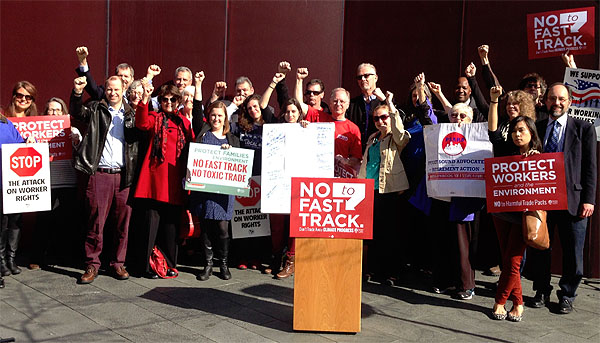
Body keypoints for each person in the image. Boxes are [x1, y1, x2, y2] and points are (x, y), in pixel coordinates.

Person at [527, 83, 597, 314]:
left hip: (574, 201)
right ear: (545, 101)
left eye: (561, 99)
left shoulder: (583, 128)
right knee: (540, 248)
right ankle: (541, 290)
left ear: (569, 102)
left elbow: (590, 167)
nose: (556, 103)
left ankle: (567, 294)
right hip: (542, 200)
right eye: (552, 98)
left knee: (573, 253)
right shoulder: (536, 127)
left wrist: (589, 199)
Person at [70, 75, 141, 284]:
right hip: (99, 173)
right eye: (109, 89)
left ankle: (118, 263)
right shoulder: (95, 109)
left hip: (124, 176)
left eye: (117, 89)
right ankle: (92, 265)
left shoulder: (131, 114)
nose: (113, 93)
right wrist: (77, 93)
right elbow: (76, 111)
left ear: (123, 89)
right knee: (96, 222)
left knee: (123, 223)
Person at [134, 81, 194, 279]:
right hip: (153, 181)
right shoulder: (155, 117)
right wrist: (144, 99)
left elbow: (194, 145)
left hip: (174, 182)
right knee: (150, 225)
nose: (169, 102)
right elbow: (141, 123)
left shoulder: (183, 122)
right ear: (160, 101)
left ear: (178, 101)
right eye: (165, 99)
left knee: (170, 227)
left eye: (173, 99)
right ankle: (145, 266)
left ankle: (168, 264)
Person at [488, 115, 543, 322]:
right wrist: (494, 102)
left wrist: (536, 162)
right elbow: (493, 134)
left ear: (531, 133)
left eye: (521, 130)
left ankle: (499, 302)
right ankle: (518, 303)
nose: (517, 134)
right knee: (508, 260)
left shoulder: (540, 157)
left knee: (513, 261)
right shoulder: (505, 151)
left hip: (524, 218)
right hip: (501, 214)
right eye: (514, 131)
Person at [357, 91, 410, 283]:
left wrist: (391, 105)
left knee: (391, 234)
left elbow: (399, 130)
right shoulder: (372, 138)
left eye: (384, 117)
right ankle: (373, 269)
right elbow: (367, 163)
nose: (380, 121)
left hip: (389, 191)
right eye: (376, 118)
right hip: (370, 190)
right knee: (373, 234)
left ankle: (391, 272)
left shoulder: (397, 137)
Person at [28, 98, 82, 270]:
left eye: (57, 110)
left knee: (66, 221)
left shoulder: (71, 130)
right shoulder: (37, 131)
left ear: (63, 112)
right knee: (43, 221)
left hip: (67, 181)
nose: (53, 113)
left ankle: (65, 256)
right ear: (45, 113)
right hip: (46, 182)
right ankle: (37, 256)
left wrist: (75, 140)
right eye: (50, 110)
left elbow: (81, 151)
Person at [231, 76, 278, 270]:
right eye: (249, 108)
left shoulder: (272, 125)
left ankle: (258, 257)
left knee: (260, 221)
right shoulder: (241, 125)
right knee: (244, 218)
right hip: (246, 178)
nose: (253, 110)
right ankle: (244, 256)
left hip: (265, 177)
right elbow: (223, 123)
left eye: (256, 106)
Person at [190, 101, 240, 281]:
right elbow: (197, 110)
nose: (216, 118)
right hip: (205, 191)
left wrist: (231, 152)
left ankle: (224, 264)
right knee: (205, 228)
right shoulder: (202, 135)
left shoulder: (232, 139)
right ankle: (208, 264)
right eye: (213, 115)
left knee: (222, 228)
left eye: (220, 115)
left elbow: (239, 165)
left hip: (224, 193)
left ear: (225, 117)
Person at [294, 68, 362, 175]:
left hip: (339, 177)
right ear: (330, 103)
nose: (338, 104)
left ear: (348, 105)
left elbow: (356, 159)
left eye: (342, 101)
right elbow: (298, 104)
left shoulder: (353, 129)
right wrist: (299, 80)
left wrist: (346, 161)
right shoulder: (319, 116)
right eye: (335, 101)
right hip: (315, 173)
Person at [0, 110, 27, 286]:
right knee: (1, 223)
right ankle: (1, 261)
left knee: (15, 220)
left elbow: (21, 144)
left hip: (12, 182)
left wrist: (30, 143)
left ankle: (10, 259)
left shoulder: (6, 123)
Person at [347, 63, 384, 151]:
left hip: (378, 152)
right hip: (356, 153)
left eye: (366, 76)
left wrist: (384, 100)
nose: (363, 79)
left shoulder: (385, 101)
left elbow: (398, 120)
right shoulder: (352, 104)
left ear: (375, 78)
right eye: (359, 77)